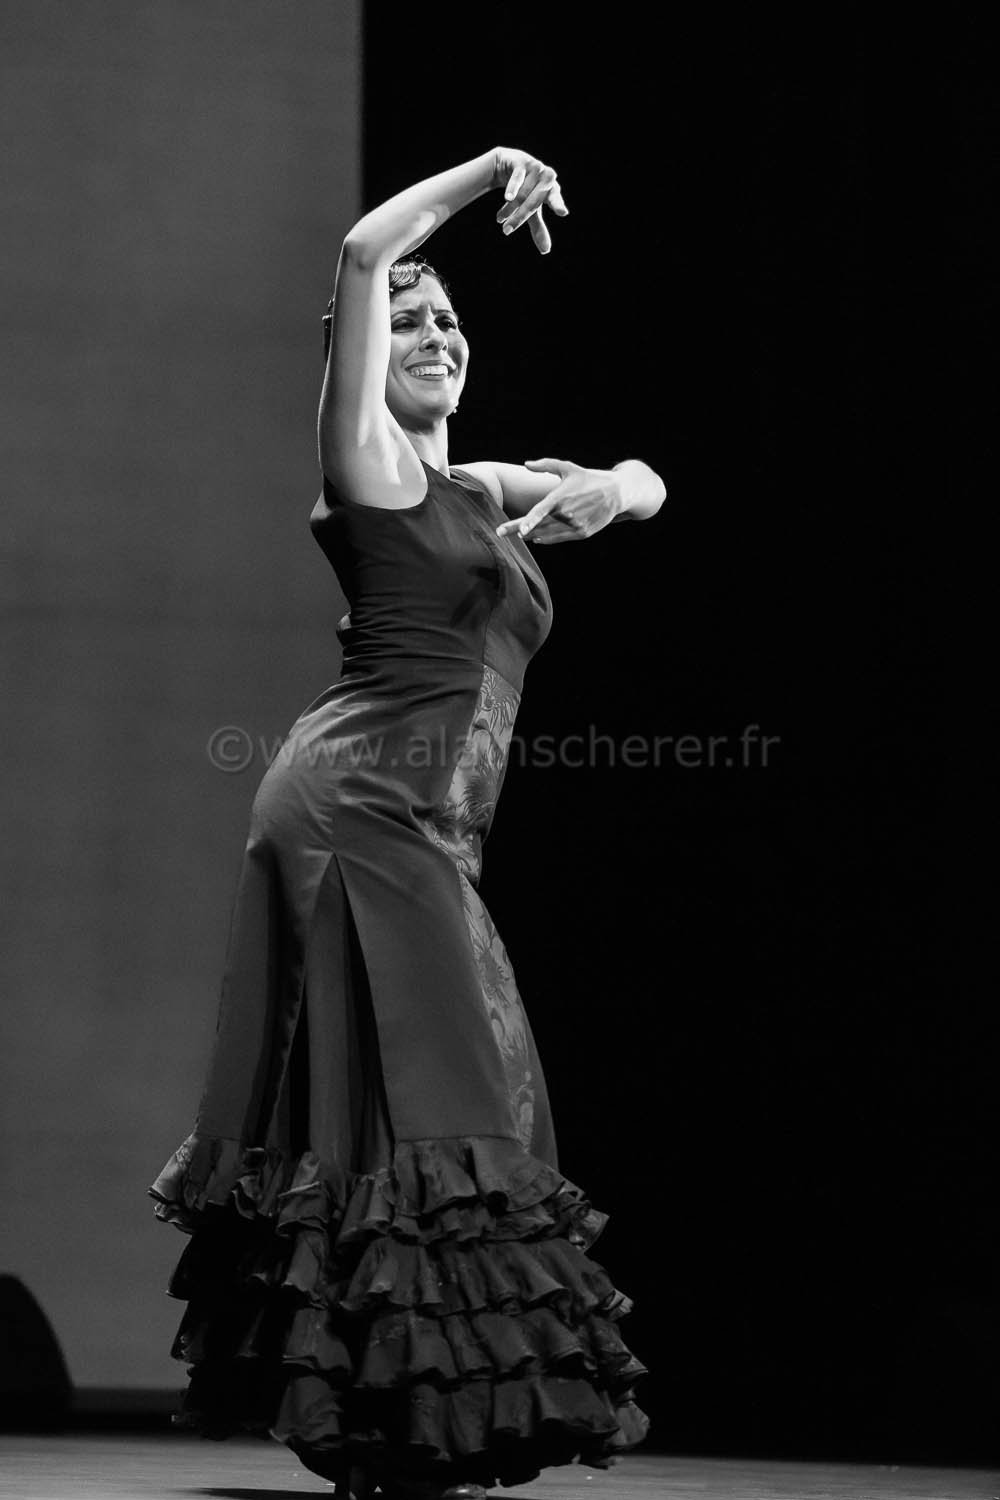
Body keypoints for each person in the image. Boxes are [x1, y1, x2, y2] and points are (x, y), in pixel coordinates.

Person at [149, 147, 665, 1500]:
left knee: (438, 1102)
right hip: (353, 806)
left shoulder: (476, 490)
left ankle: (403, 1411)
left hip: (433, 828)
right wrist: (494, 169)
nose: (436, 335)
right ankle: (389, 1404)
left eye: (452, 320)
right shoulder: (368, 467)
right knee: (435, 1102)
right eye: (411, 323)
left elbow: (647, 481)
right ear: (363, 356)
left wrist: (615, 483)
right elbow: (366, 252)